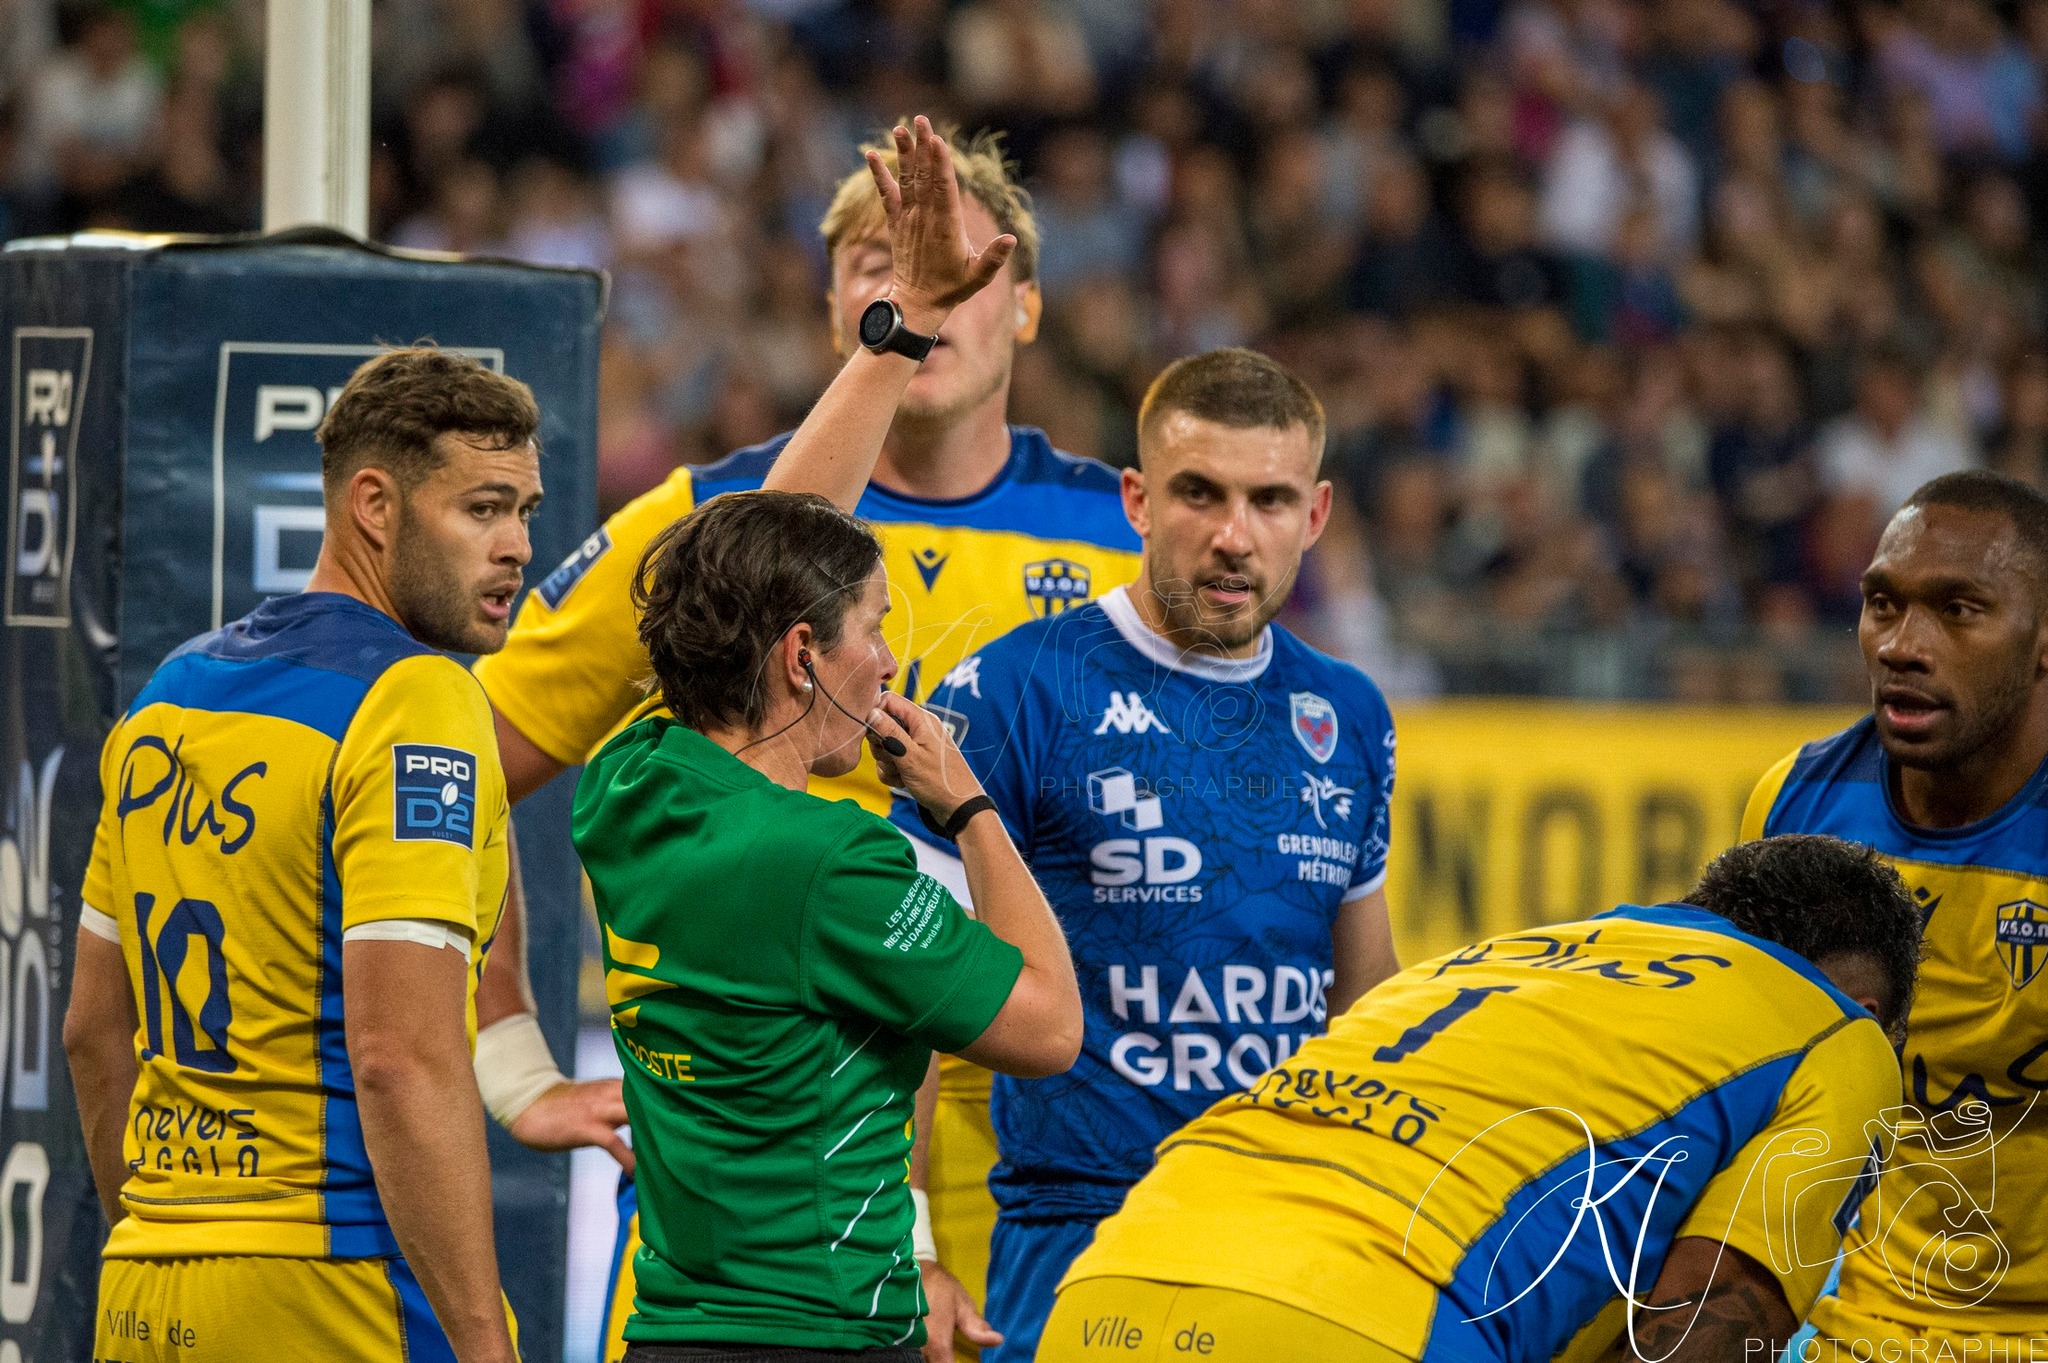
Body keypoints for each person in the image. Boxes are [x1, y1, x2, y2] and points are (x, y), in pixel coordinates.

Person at [469, 118, 1141, 1360]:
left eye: (947, 264)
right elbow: (451, 763)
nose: (906, 287)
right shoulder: (695, 529)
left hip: (1053, 1196)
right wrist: (510, 1057)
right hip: (770, 1232)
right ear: (840, 310)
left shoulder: (1140, 548)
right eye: (872, 263)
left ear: (1026, 305)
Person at [890, 347, 1405, 1361]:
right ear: (1133, 497)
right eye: (1197, 494)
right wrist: (906, 1242)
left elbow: (1364, 992)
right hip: (1080, 1241)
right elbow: (902, 993)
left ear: (1315, 516)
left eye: (1268, 500)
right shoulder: (1010, 691)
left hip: (1282, 1237)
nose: (1231, 535)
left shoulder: (1348, 714)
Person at [62, 349, 545, 1361]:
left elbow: (92, 1031)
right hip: (337, 1285)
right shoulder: (416, 700)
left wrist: (154, 1232)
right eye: (484, 509)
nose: (515, 548)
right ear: (374, 503)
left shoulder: (172, 693)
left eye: (525, 513)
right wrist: (480, 1337)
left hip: (146, 1290)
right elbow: (399, 1058)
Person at [1038, 834, 1921, 1363]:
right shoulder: (1841, 1036)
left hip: (1105, 1290)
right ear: (1875, 1011)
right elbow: (1705, 1327)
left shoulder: (1494, 955)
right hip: (1358, 1326)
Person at [572, 489, 1083, 1360]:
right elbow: (1049, 1028)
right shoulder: (835, 862)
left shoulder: (623, 784)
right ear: (801, 653)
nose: (890, 663)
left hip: (668, 1330)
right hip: (821, 1332)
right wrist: (968, 807)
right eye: (875, 627)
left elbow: (706, 631)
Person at [1742, 470, 2048, 1350]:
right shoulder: (1794, 810)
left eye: (1959, 610)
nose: (1904, 644)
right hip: (1863, 1325)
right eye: (1883, 604)